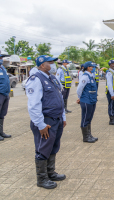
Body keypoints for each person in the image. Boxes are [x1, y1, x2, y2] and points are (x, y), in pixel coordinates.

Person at [26, 55, 66, 189]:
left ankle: (50, 172)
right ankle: (42, 179)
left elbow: (60, 97)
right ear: (42, 65)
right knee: (43, 149)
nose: (53, 64)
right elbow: (33, 104)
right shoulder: (36, 79)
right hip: (46, 121)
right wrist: (40, 124)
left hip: (57, 119)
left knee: (53, 147)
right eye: (50, 62)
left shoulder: (52, 78)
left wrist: (63, 117)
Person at [76, 62, 98, 143]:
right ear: (88, 67)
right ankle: (85, 137)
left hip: (92, 100)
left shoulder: (91, 76)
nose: (94, 68)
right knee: (85, 118)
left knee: (89, 118)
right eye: (93, 67)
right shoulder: (85, 76)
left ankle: (89, 135)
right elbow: (79, 89)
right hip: (86, 101)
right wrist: (79, 98)